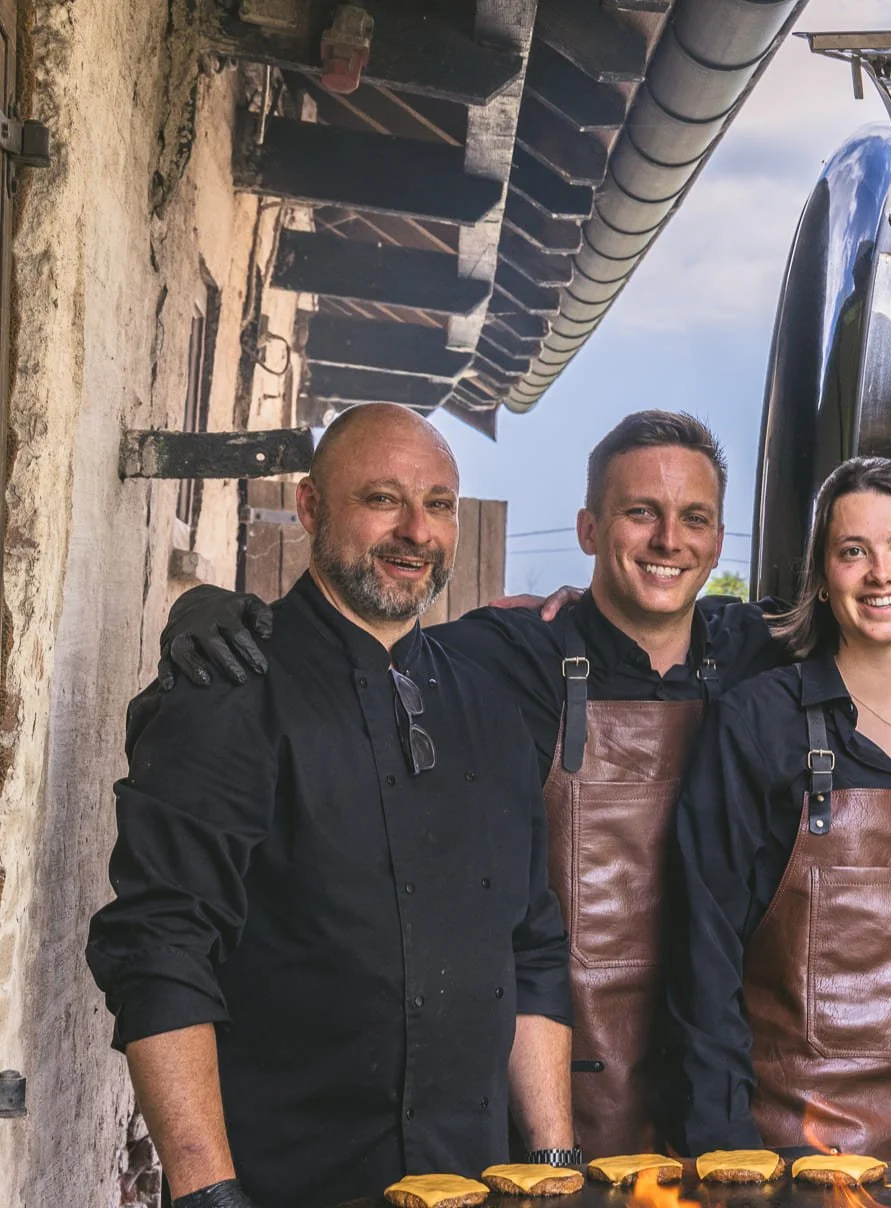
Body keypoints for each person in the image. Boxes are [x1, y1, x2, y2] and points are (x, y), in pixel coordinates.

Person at [150, 411, 787, 1159]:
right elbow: (364, 643)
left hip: (720, 1092)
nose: (668, 541)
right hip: (554, 1098)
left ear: (718, 537)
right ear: (588, 529)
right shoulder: (509, 655)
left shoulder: (765, 658)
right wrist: (202, 611)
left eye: (695, 519)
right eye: (640, 512)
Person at [86, 404, 575, 1208]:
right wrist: (209, 1192)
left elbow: (532, 950)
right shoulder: (228, 689)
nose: (417, 530)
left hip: (478, 1181)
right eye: (383, 498)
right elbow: (161, 949)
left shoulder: (493, 711)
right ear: (311, 508)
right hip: (288, 1181)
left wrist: (555, 1167)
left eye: (441, 504)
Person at [665, 457, 891, 1163]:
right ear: (822, 578)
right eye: (852, 552)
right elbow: (703, 954)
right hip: (784, 1149)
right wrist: (724, 1151)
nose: (881, 573)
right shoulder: (757, 721)